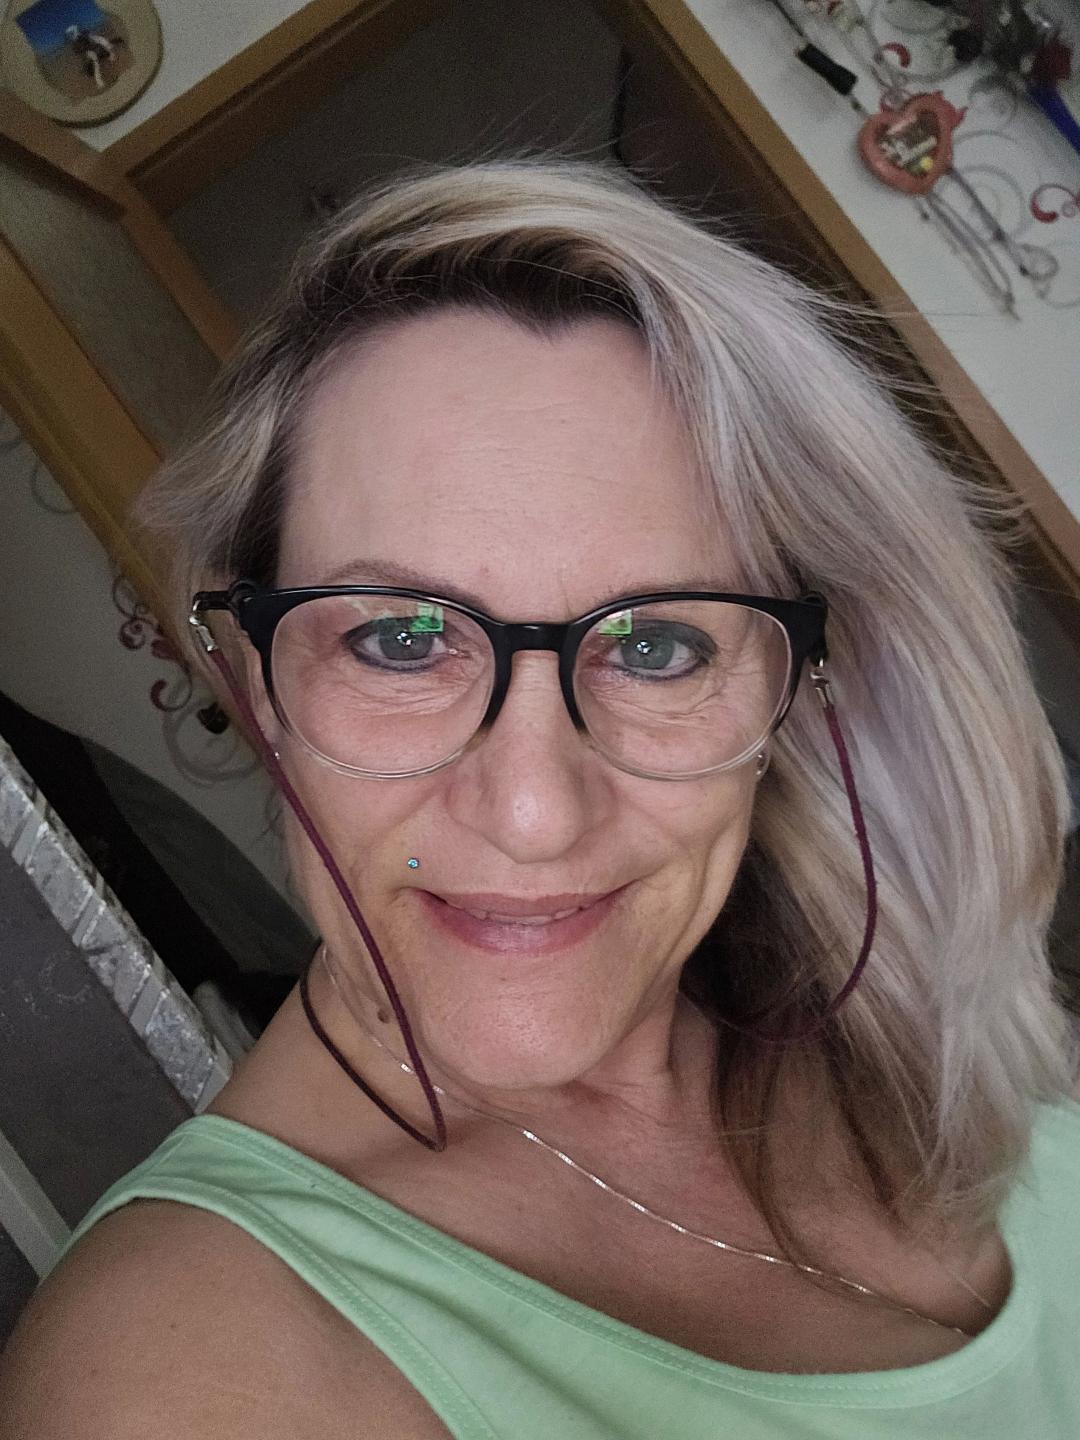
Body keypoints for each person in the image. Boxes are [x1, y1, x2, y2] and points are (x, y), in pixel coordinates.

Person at [2, 155, 1078, 1437]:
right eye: (400, 640)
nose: (533, 814)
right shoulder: (183, 1374)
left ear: (795, 686)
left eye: (657, 646)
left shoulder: (922, 1022)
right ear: (251, 674)